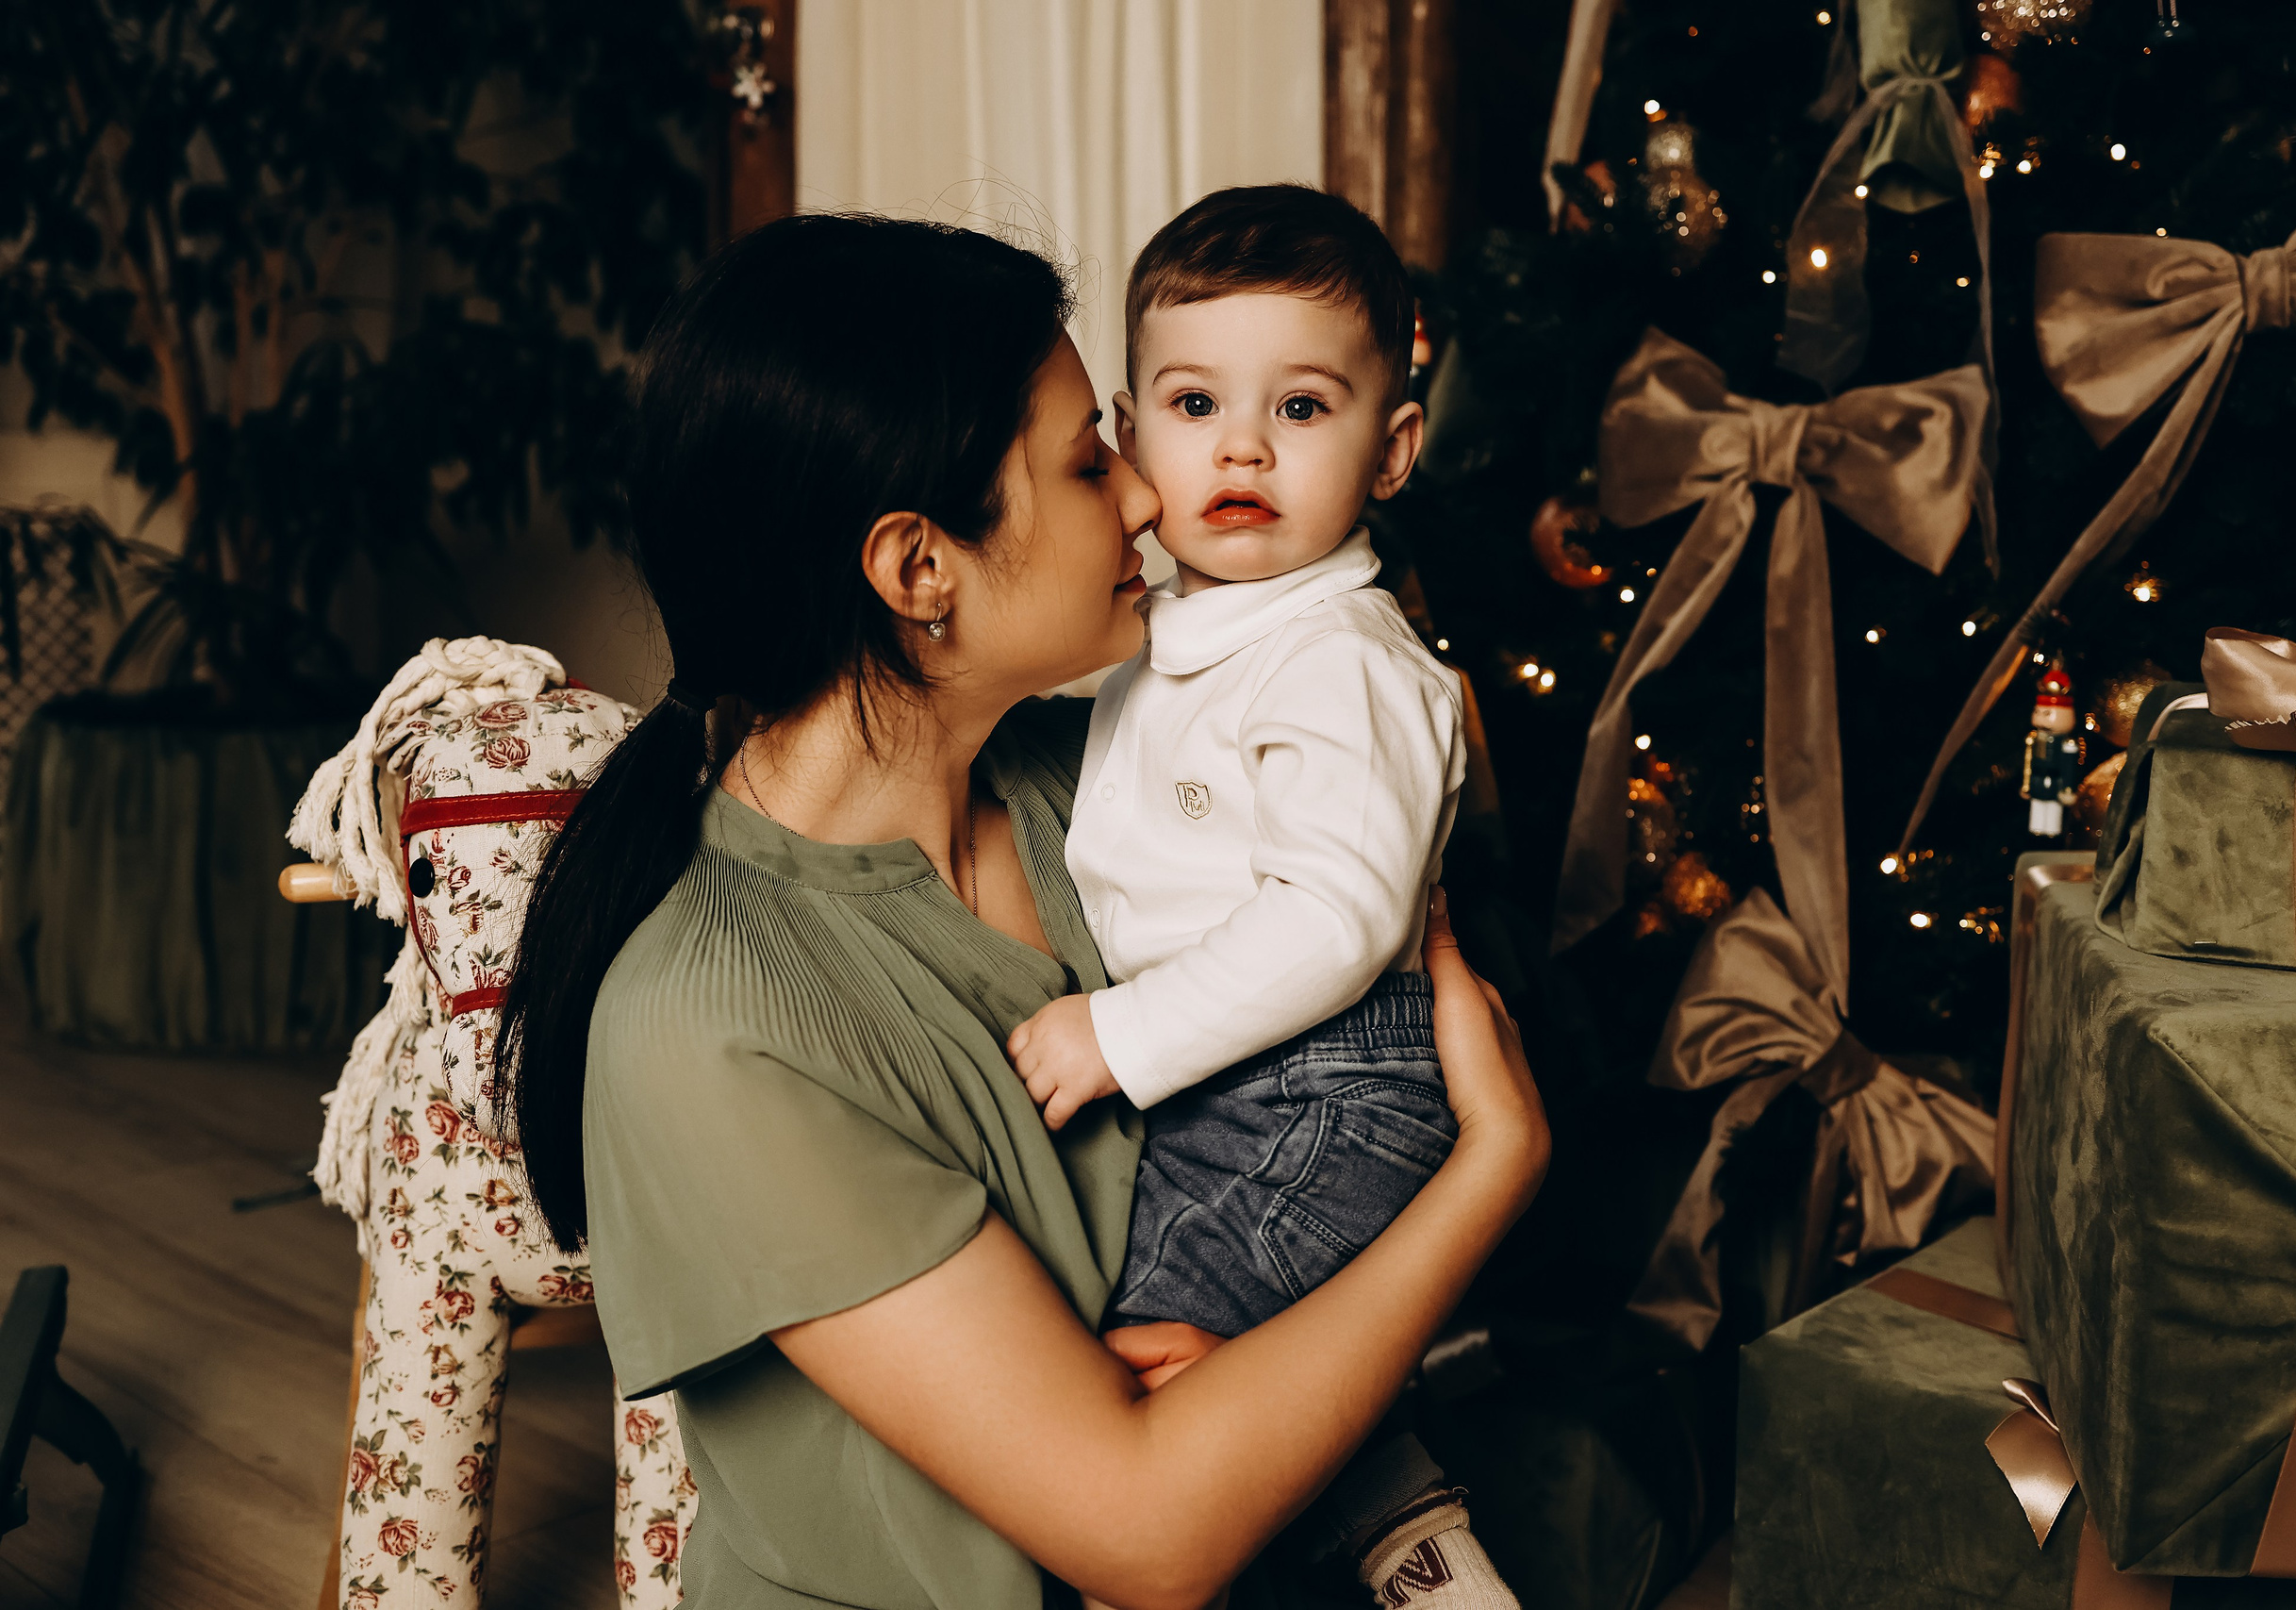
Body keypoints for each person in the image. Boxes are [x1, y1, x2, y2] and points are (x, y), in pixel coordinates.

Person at [495, 211, 1549, 1610]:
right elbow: (1150, 1528)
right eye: (1088, 457)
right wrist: (1496, 1166)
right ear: (919, 570)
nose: (1142, 497)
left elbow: (1341, 1073)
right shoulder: (710, 1025)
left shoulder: (1104, 784)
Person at [1004, 186, 1507, 1609]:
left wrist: (1122, 1035)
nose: (1239, 445)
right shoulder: (1166, 635)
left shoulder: (1343, 657)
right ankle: (1414, 1537)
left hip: (1318, 1085)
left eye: (1300, 409)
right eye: (1191, 401)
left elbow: (1336, 920)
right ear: (1124, 436)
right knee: (1233, 1355)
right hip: (1241, 1079)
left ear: (1393, 447)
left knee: (1119, 1368)